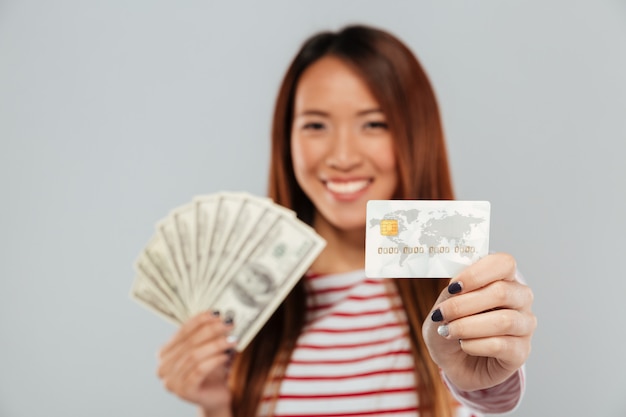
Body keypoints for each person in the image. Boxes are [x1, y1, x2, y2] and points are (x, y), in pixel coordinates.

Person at [156, 24, 537, 417]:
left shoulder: (470, 282)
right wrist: (218, 404)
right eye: (315, 125)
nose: (342, 156)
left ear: (415, 134)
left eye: (374, 123)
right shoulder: (243, 300)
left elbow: (494, 396)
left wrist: (482, 376)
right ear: (286, 139)